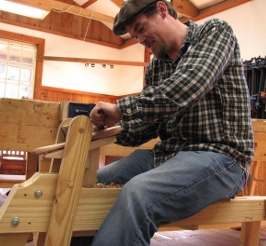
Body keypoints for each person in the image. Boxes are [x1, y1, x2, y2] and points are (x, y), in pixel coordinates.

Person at [87, 0, 254, 245]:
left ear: (163, 10)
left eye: (141, 28)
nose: (140, 40)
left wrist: (121, 108)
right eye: (135, 36)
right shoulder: (156, 66)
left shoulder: (215, 32)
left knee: (139, 192)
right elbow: (150, 124)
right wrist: (109, 127)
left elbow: (185, 88)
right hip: (170, 156)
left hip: (223, 158)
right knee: (93, 183)